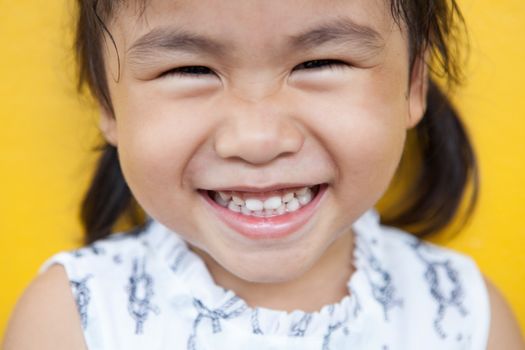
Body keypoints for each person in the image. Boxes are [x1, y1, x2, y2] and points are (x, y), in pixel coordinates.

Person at [3, 0, 524, 349]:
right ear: (109, 105)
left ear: (413, 85)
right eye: (189, 70)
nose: (256, 139)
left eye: (320, 63)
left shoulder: (465, 316)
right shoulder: (73, 319)